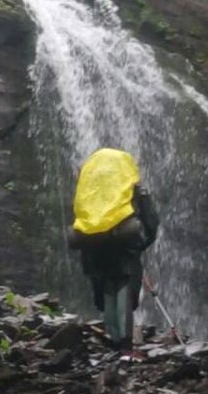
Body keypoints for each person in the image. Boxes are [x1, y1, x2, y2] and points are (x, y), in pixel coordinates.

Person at [68, 148, 159, 349]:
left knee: (108, 293)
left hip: (97, 256)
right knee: (123, 292)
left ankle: (115, 341)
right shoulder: (132, 190)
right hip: (125, 253)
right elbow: (151, 222)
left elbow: (79, 224)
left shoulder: (88, 194)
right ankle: (126, 346)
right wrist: (142, 244)